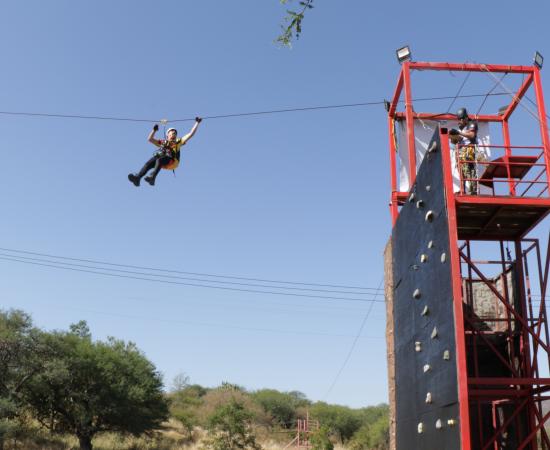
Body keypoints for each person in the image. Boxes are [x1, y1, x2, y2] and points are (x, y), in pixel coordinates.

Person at [128, 117, 202, 186]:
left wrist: (197, 123)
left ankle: (152, 178)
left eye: (175, 132)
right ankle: (137, 178)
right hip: (162, 161)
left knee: (160, 159)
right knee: (149, 162)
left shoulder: (178, 141)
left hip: (173, 161)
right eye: (172, 131)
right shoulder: (163, 142)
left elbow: (190, 134)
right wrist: (154, 130)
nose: (174, 133)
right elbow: (150, 139)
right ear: (168, 135)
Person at [449, 108, 478, 195]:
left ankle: (473, 191)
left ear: (466, 117)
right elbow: (460, 139)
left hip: (468, 149)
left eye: (462, 118)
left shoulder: (472, 124)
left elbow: (471, 135)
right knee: (461, 170)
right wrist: (453, 137)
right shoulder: (462, 128)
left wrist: (458, 132)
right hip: (461, 150)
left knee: (469, 170)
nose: (461, 120)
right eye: (459, 119)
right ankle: (463, 190)